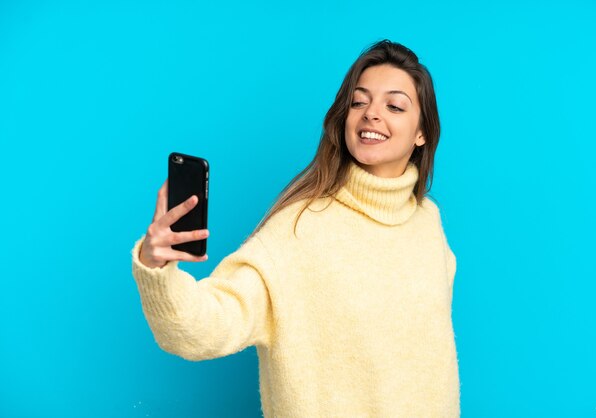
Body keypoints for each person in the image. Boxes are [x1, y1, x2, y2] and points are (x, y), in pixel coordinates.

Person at [131, 39, 459, 417]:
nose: (371, 113)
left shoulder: (427, 223)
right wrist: (155, 265)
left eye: (395, 105)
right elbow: (201, 328)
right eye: (358, 101)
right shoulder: (300, 229)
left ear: (422, 133)